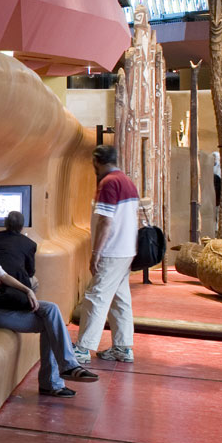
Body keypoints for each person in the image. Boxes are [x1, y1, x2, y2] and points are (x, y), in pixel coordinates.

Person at [0, 211, 97, 398]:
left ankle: (66, 369)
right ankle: (55, 380)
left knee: (51, 309)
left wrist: (27, 290)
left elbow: (3, 274)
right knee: (50, 325)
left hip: (1, 302)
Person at [73, 145, 139, 365]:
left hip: (112, 251)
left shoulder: (108, 183)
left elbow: (106, 221)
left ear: (96, 161)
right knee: (120, 300)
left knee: (96, 297)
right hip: (127, 250)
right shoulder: (127, 181)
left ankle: (83, 348)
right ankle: (122, 347)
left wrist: (96, 252)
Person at [0, 211, 37, 290]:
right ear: (22, 226)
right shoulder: (30, 244)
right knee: (35, 282)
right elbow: (30, 272)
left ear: (6, 223)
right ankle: (29, 300)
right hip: (18, 281)